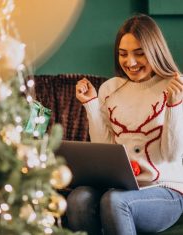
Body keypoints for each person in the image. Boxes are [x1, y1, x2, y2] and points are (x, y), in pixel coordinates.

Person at [66, 14, 183, 235]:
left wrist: (175, 106)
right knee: (78, 198)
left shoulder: (176, 86)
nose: (130, 62)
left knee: (114, 201)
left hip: (166, 190)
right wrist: (91, 104)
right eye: (123, 54)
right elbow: (104, 147)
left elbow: (171, 156)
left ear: (155, 52)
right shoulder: (110, 89)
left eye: (139, 54)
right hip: (121, 186)